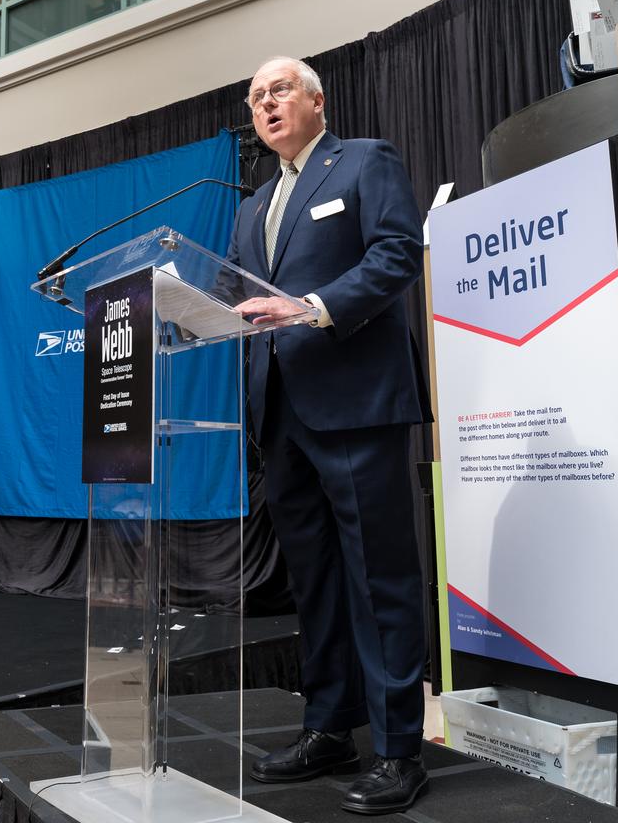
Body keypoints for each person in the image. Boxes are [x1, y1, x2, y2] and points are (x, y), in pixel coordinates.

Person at [229, 57, 432, 815]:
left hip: (355, 404)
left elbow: (396, 254)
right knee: (314, 581)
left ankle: (400, 749)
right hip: (282, 413)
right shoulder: (253, 206)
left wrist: (312, 306)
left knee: (379, 578)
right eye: (256, 97)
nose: (266, 103)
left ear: (317, 100)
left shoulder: (364, 161)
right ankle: (329, 727)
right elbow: (237, 296)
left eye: (279, 89)